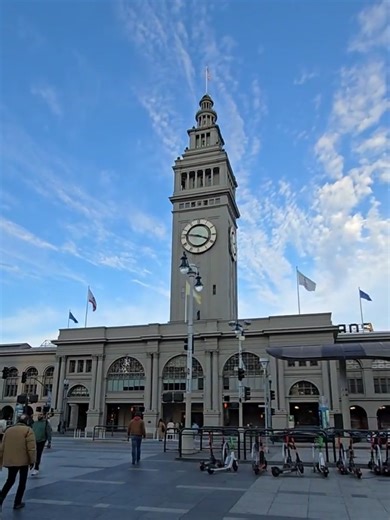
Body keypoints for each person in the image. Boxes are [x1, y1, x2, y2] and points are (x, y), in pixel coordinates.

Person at [0, 414, 36, 511]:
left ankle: (1, 498)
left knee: (10, 481)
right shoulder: (28, 430)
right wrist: (33, 461)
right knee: (22, 482)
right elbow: (31, 448)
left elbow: (2, 447)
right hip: (23, 461)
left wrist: (1, 460)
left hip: (10, 460)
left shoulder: (8, 430)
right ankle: (17, 502)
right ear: (27, 421)